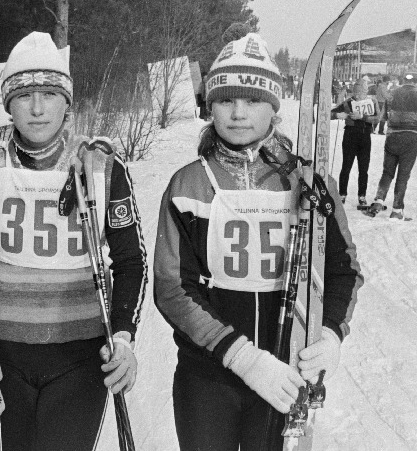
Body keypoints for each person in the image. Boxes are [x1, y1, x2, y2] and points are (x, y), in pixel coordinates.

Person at [153, 31, 364, 451]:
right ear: (210, 106)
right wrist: (241, 357)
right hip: (208, 375)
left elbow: (344, 270)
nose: (237, 113)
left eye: (252, 101)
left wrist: (331, 333)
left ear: (273, 107)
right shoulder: (189, 184)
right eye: (226, 100)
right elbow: (173, 287)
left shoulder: (307, 182)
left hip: (284, 376)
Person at [0, 32, 148, 451]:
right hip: (2, 356)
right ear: (7, 104)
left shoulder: (99, 165)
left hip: (81, 357)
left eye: (50, 94)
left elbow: (131, 261)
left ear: (67, 102)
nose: (37, 108)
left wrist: (122, 338)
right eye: (24, 95)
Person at [366, 72, 417, 219]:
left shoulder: (392, 94)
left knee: (387, 172)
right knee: (403, 175)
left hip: (392, 137)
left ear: (402, 81)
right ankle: (396, 210)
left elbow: (383, 117)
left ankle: (378, 202)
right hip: (411, 138)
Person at [333, 77, 380, 207]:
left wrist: (362, 117)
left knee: (363, 168)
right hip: (350, 136)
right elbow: (332, 113)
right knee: (346, 166)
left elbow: (377, 119)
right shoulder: (348, 102)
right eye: (357, 93)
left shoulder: (372, 102)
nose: (359, 95)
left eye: (362, 93)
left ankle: (362, 195)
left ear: (366, 92)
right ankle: (342, 194)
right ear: (354, 92)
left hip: (365, 138)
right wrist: (338, 115)